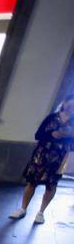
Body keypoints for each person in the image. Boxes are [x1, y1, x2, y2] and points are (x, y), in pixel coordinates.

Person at [10, 95, 74, 224]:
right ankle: (23, 208)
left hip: (61, 157)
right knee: (32, 181)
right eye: (69, 103)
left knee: (51, 184)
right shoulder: (52, 117)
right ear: (64, 103)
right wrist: (52, 134)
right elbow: (38, 135)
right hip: (42, 154)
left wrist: (69, 136)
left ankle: (41, 212)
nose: (70, 107)